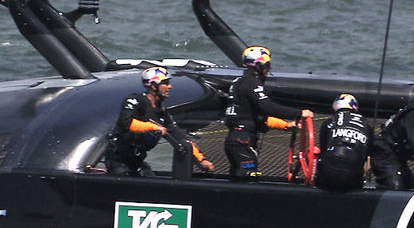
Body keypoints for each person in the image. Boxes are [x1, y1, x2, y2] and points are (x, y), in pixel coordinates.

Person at [105, 66, 215, 177]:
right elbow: (125, 123)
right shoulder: (135, 101)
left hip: (137, 162)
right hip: (118, 161)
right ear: (153, 86)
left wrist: (201, 160)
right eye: (165, 83)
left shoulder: (162, 113)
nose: (170, 87)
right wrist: (153, 127)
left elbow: (180, 137)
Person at [225, 45, 313, 180]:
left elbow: (255, 116)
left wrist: (287, 125)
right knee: (249, 178)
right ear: (258, 66)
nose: (268, 70)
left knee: (238, 178)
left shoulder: (238, 82)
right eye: (266, 66)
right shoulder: (252, 83)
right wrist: (298, 113)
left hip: (236, 140)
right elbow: (267, 106)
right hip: (242, 141)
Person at [315, 93, 373, 192]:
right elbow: (367, 155)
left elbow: (323, 150)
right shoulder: (367, 126)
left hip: (329, 170)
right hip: (353, 173)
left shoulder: (329, 122)